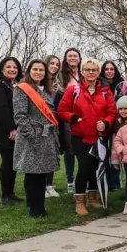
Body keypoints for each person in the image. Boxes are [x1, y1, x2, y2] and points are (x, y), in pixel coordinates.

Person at [57, 57, 117, 216]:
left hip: (99, 137)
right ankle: (80, 201)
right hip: (80, 137)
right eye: (87, 70)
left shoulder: (105, 91)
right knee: (84, 167)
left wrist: (105, 123)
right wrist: (75, 118)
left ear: (98, 72)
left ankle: (92, 197)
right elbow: (62, 111)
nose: (91, 72)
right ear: (82, 72)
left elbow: (112, 113)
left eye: (94, 70)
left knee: (95, 168)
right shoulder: (73, 90)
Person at [12, 59, 61, 218]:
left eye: (41, 70)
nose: (38, 72)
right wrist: (31, 134)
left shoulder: (44, 89)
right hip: (32, 138)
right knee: (34, 175)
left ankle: (35, 205)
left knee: (40, 174)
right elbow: (20, 115)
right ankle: (36, 209)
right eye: (35, 69)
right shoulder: (22, 89)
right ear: (29, 70)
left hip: (45, 137)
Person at [0, 57, 24, 206]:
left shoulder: (12, 84)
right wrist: (11, 129)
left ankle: (11, 193)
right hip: (3, 130)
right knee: (8, 161)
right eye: (8, 67)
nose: (12, 69)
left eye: (15, 67)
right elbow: (1, 108)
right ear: (2, 69)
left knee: (13, 162)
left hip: (13, 128)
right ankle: (5, 195)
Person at [58, 48, 82, 193]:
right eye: (70, 56)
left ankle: (83, 178)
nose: (73, 58)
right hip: (68, 116)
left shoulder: (84, 74)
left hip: (82, 114)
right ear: (66, 59)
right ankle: (70, 180)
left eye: (75, 56)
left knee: (83, 148)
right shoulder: (62, 75)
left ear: (79, 59)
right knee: (69, 149)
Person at [44, 54, 62, 198]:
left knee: (51, 154)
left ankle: (49, 185)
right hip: (39, 123)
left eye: (57, 64)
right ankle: (40, 186)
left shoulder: (57, 84)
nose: (55, 66)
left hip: (53, 123)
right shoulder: (39, 82)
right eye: (52, 63)